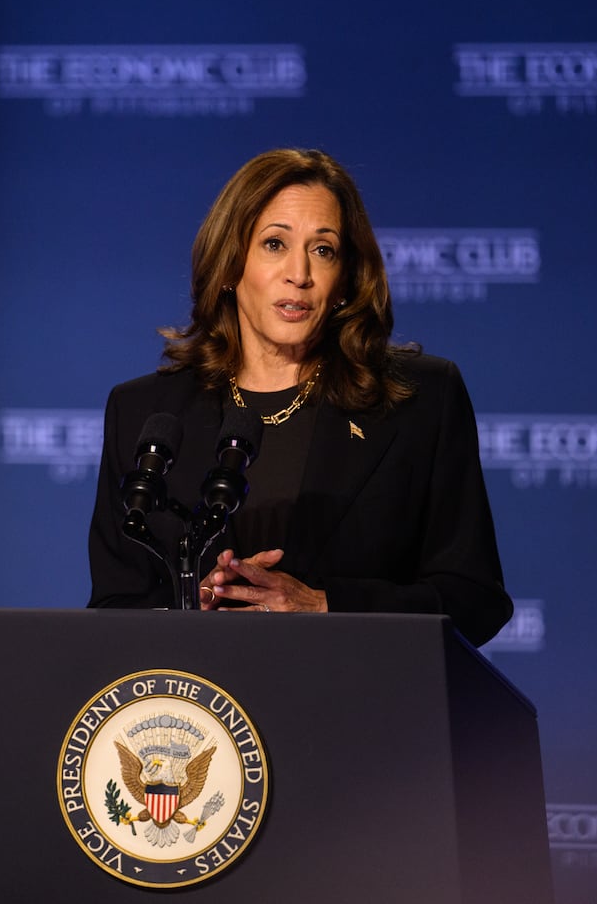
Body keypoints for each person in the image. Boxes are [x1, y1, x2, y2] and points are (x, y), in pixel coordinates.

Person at [87, 148, 512, 646]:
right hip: (202, 715)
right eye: (274, 244)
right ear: (229, 265)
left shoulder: (420, 400)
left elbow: (475, 599)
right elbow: (113, 607)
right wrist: (188, 606)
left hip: (362, 709)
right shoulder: (143, 413)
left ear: (345, 280)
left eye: (323, 249)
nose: (300, 273)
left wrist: (323, 605)